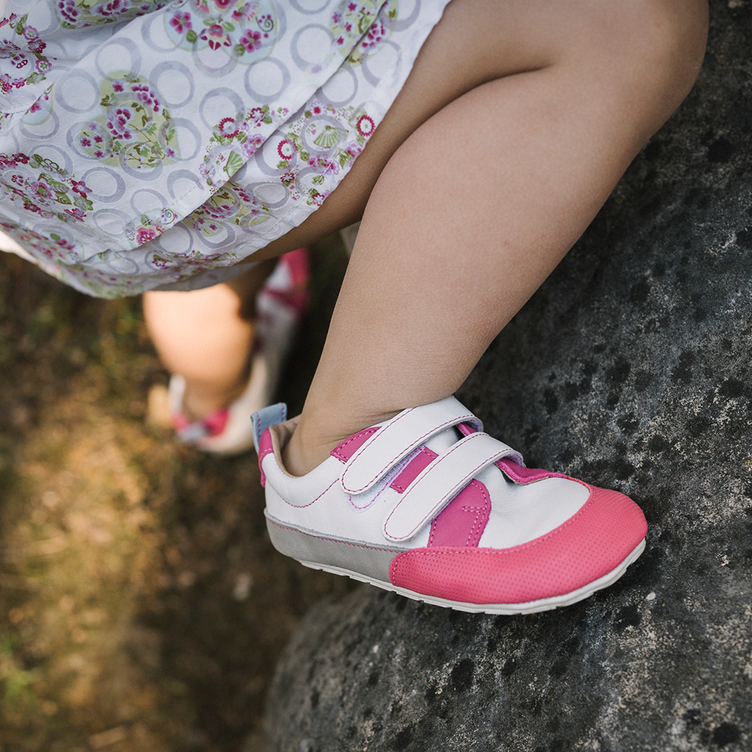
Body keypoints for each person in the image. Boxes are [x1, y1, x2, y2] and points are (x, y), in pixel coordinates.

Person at [0, 0, 708, 613]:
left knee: (208, 276)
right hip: (139, 101)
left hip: (96, 126)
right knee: (621, 23)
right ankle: (342, 445)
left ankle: (210, 402)